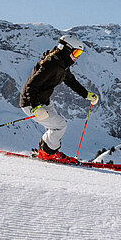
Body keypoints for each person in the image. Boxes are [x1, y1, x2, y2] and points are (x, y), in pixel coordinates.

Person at [19, 34, 99, 163]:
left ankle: (46, 151)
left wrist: (87, 95)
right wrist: (35, 107)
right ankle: (47, 153)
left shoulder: (61, 65)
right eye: (76, 52)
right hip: (31, 103)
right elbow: (31, 85)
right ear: (66, 49)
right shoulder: (51, 65)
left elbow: (71, 81)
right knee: (60, 126)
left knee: (54, 127)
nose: (76, 57)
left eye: (79, 54)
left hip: (43, 102)